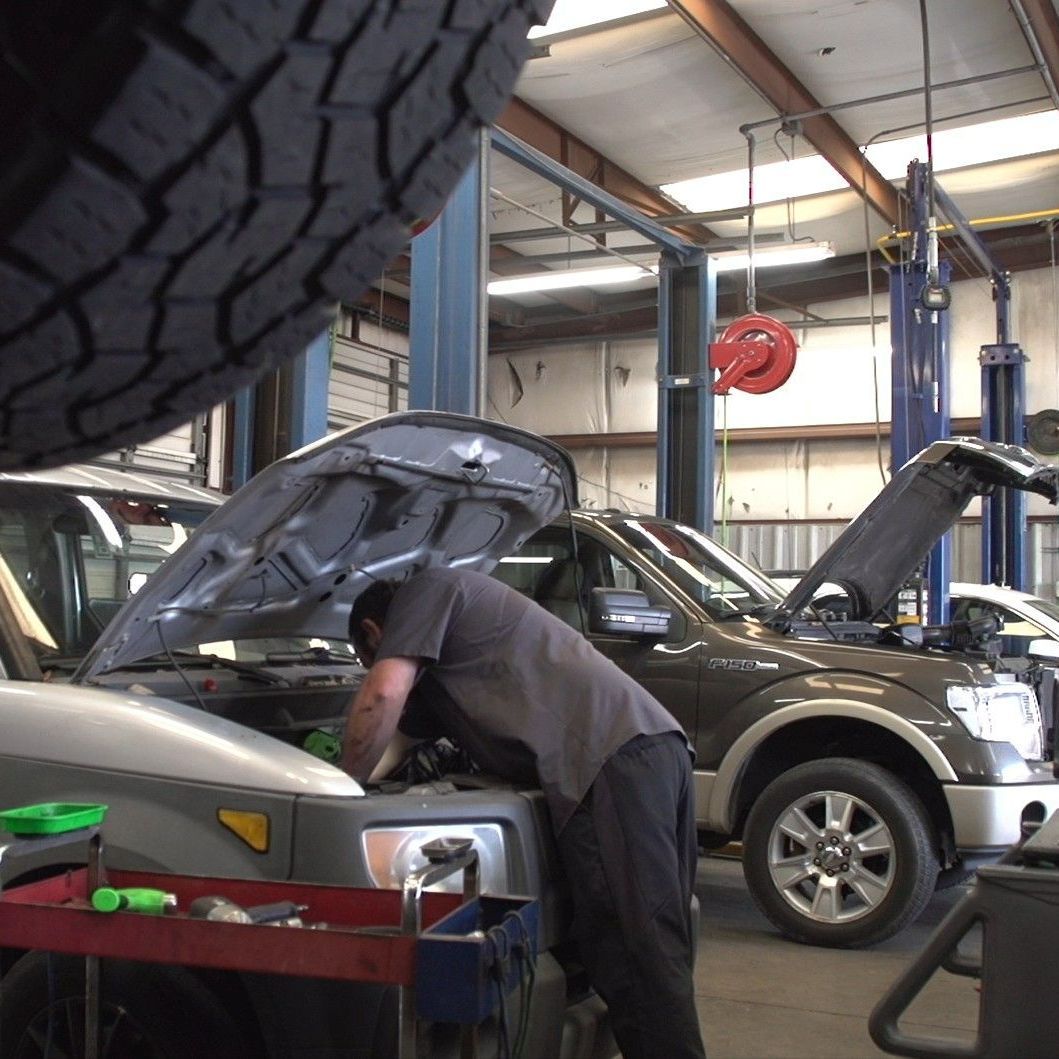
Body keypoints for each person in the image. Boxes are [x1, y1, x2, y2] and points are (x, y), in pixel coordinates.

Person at [343, 565, 707, 1059]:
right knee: (647, 949)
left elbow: (383, 695)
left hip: (609, 763)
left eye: (370, 657)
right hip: (650, 749)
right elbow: (403, 732)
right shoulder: (460, 632)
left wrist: (342, 784)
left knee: (638, 959)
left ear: (373, 633)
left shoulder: (427, 589)